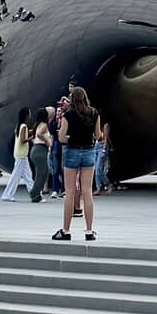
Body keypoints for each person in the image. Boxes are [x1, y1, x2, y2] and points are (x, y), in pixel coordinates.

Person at [52, 85, 96, 241]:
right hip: (89, 152)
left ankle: (66, 230)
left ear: (72, 100)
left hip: (72, 152)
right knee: (87, 192)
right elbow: (98, 135)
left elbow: (62, 138)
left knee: (69, 192)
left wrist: (71, 137)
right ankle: (89, 231)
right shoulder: (94, 113)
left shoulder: (68, 115)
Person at [1, 108, 33, 201]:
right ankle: (7, 195)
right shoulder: (24, 127)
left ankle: (34, 194)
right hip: (21, 154)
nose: (30, 116)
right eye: (29, 114)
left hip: (20, 154)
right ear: (26, 115)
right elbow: (23, 140)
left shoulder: (19, 126)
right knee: (17, 176)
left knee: (28, 176)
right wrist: (31, 137)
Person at [29, 108, 52, 203]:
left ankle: (37, 193)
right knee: (42, 173)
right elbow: (39, 134)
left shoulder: (37, 125)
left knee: (39, 173)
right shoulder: (44, 125)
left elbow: (33, 135)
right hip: (41, 150)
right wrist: (47, 141)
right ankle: (35, 193)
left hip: (35, 149)